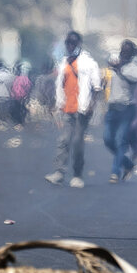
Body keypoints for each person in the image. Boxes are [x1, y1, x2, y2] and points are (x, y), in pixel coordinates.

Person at [45, 31, 101, 188]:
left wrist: (92, 105)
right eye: (68, 43)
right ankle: (59, 173)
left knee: (77, 142)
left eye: (73, 43)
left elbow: (97, 87)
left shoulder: (88, 63)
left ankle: (77, 174)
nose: (70, 46)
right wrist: (56, 104)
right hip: (67, 108)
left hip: (82, 109)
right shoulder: (63, 62)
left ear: (79, 44)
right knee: (63, 141)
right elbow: (59, 85)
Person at [103, 40, 137, 183]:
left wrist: (119, 70)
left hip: (126, 108)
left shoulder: (134, 68)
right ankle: (128, 164)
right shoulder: (114, 67)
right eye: (123, 50)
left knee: (120, 140)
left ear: (131, 54)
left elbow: (133, 81)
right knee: (108, 140)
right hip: (112, 107)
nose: (124, 53)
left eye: (127, 51)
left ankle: (115, 172)